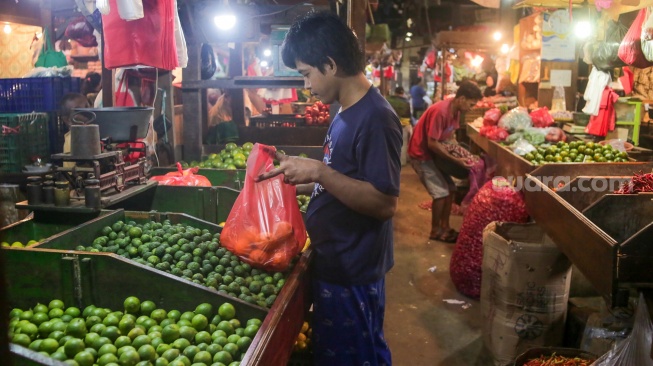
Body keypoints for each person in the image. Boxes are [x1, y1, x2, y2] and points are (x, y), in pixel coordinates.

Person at [257, 11, 401, 366]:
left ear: (330, 64)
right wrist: (303, 182)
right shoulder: (345, 110)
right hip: (336, 257)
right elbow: (346, 178)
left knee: (360, 355)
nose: (306, 86)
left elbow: (384, 202)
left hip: (354, 267)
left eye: (307, 74)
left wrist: (320, 172)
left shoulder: (376, 119)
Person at [408, 81, 482, 243]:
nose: (472, 107)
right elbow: (432, 143)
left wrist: (462, 153)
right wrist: (457, 160)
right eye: (471, 103)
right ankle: (435, 231)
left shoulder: (455, 111)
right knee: (441, 194)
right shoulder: (441, 111)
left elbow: (449, 138)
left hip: (434, 155)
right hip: (421, 155)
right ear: (461, 98)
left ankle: (445, 227)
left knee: (451, 189)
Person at [386, 86, 412, 166]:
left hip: (388, 123)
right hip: (402, 125)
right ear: (402, 93)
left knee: (388, 143)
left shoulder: (387, 99)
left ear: (395, 92)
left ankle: (389, 161)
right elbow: (408, 115)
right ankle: (401, 162)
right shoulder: (406, 102)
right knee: (403, 144)